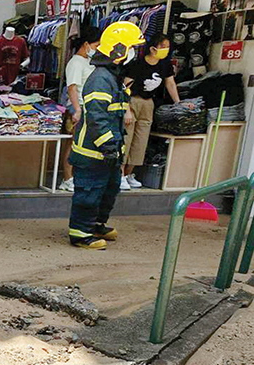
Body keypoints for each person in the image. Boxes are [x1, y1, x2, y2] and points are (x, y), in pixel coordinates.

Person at [67, 21, 146, 250]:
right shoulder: (101, 79)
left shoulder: (113, 78)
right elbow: (97, 118)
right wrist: (108, 146)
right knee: (90, 192)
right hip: (93, 151)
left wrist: (114, 149)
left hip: (108, 151)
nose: (134, 53)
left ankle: (95, 225)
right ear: (118, 49)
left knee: (108, 190)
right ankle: (80, 233)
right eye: (131, 48)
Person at [122, 34, 187, 190]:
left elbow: (170, 84)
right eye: (163, 46)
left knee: (141, 140)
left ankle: (129, 173)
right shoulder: (136, 64)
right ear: (153, 48)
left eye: (167, 46)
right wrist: (127, 109)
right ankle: (120, 175)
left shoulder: (165, 66)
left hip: (148, 103)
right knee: (127, 139)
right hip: (133, 101)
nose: (166, 49)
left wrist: (178, 103)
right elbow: (125, 87)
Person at [60, 27, 102, 192]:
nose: (98, 49)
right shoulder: (76, 62)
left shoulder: (88, 62)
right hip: (77, 107)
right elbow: (72, 88)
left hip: (87, 107)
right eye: (97, 45)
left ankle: (74, 176)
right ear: (86, 44)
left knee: (80, 144)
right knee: (72, 143)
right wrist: (77, 110)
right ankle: (67, 178)